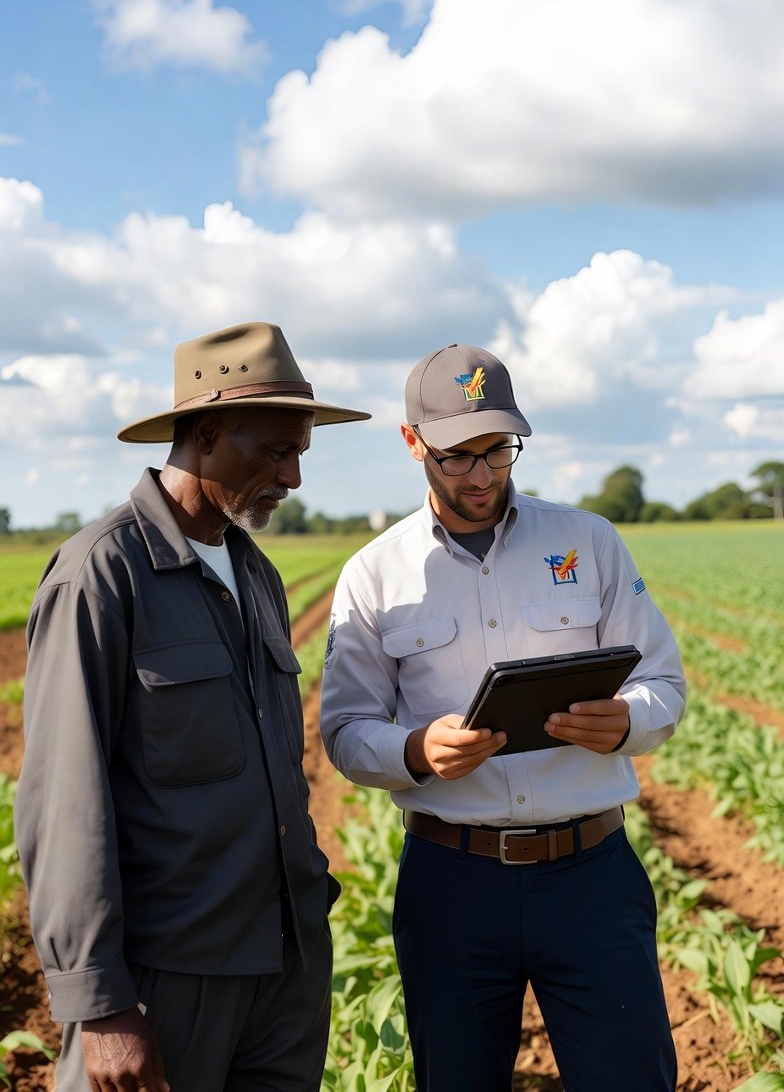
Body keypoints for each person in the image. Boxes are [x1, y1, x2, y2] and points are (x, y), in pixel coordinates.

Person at [320, 342, 685, 1092]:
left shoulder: (588, 541)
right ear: (412, 442)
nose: (483, 475)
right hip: (453, 884)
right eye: (459, 456)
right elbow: (347, 731)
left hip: (592, 877)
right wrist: (419, 750)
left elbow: (664, 682)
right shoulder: (374, 574)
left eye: (499, 451)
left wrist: (624, 722)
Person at [16, 321, 370, 1092]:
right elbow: (62, 800)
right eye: (275, 452)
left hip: (285, 969)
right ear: (206, 435)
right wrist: (100, 1004)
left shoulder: (258, 576)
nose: (294, 478)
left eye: (301, 454)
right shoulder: (102, 576)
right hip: (166, 977)